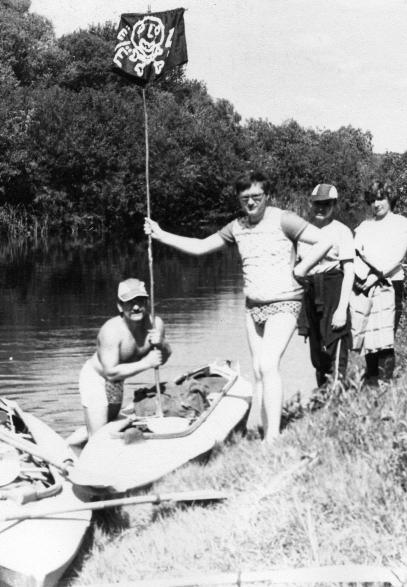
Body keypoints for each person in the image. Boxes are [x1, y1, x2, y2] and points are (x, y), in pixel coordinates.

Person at [145, 171, 333, 443]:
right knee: (258, 369)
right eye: (245, 198)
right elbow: (200, 247)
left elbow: (326, 241)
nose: (252, 203)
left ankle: (272, 438)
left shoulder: (284, 219)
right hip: (252, 307)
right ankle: (266, 429)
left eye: (257, 197)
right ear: (239, 199)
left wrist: (303, 267)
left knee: (268, 365)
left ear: (266, 196)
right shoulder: (237, 227)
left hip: (285, 303)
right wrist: (161, 235)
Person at [79, 278, 171, 437]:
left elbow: (165, 357)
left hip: (117, 381)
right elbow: (110, 372)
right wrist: (146, 363)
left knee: (108, 426)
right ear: (120, 306)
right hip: (97, 378)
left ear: (147, 302)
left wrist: (162, 344)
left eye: (140, 301)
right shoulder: (111, 331)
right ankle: (82, 453)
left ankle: (71, 445)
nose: (136, 307)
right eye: (129, 302)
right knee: (99, 436)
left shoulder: (156, 324)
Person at [351, 180, 407, 386]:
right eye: (373, 200)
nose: (376, 204)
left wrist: (372, 278)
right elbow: (356, 253)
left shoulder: (402, 223)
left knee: (385, 337)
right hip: (364, 285)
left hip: (390, 284)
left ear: (390, 199)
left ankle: (385, 383)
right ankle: (370, 382)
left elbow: (395, 258)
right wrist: (364, 279)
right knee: (369, 335)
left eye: (381, 199)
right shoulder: (364, 226)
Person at [296, 183, 355, 393]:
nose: (320, 208)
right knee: (316, 351)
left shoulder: (342, 231)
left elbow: (349, 272)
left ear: (334, 204)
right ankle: (322, 397)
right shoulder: (302, 230)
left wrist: (342, 309)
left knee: (335, 342)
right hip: (310, 290)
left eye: (326, 204)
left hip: (333, 287)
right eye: (317, 204)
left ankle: (337, 398)